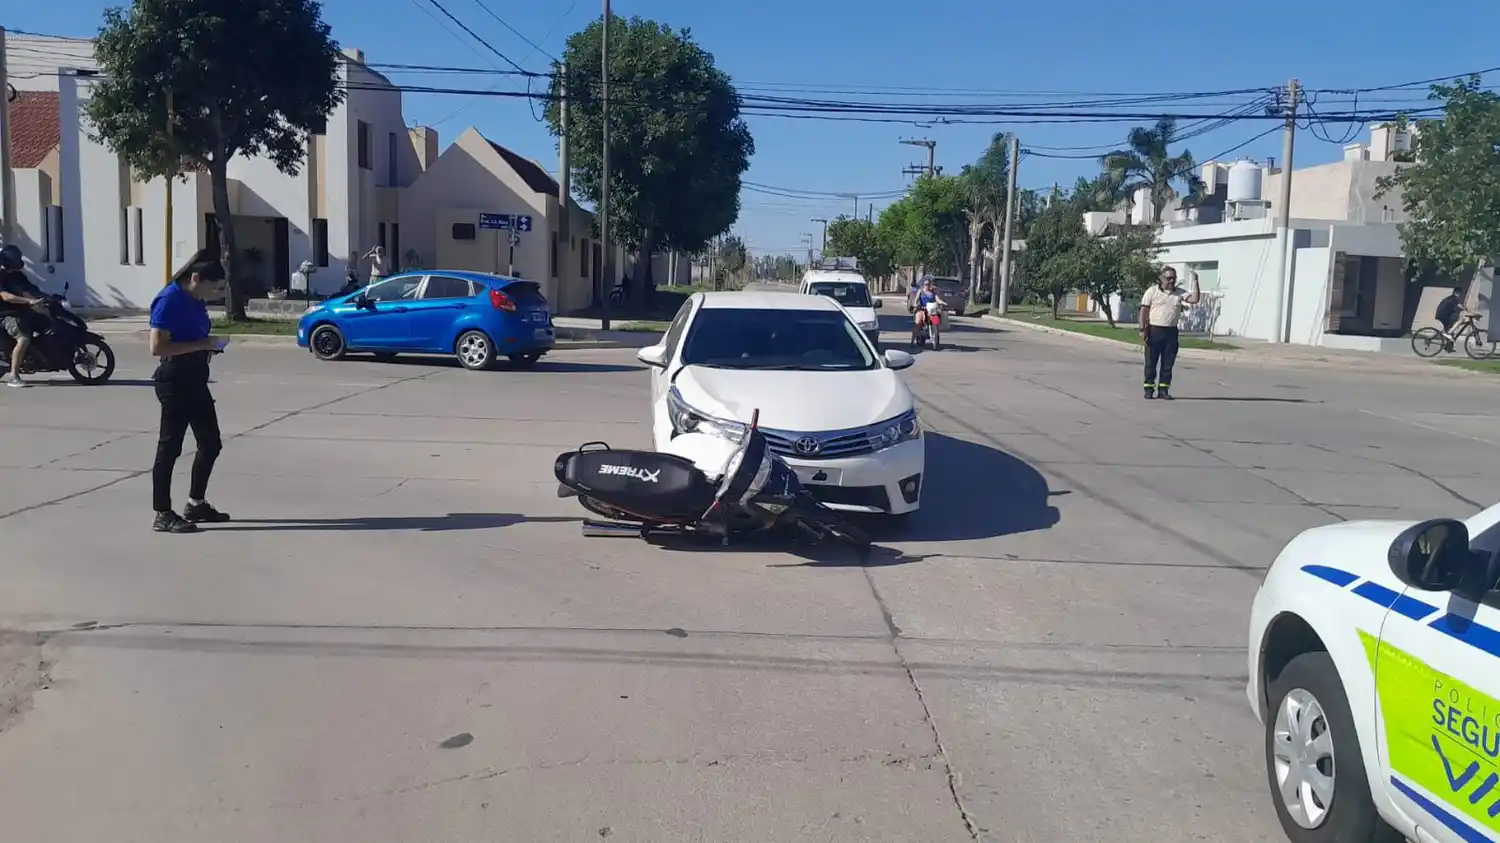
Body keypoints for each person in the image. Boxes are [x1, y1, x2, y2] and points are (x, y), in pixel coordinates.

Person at [148, 251, 231, 533]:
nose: (216, 294)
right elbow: (157, 347)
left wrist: (209, 346)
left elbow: (195, 336)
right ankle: (162, 512)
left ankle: (196, 503)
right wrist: (201, 345)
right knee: (169, 447)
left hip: (196, 376)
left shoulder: (195, 300)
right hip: (175, 379)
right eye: (214, 287)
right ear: (195, 278)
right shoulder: (169, 299)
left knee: (211, 443)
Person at [1138, 267, 1201, 400]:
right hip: (1154, 330)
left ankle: (1163, 390)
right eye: (1168, 278)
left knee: (1168, 363)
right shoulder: (1152, 291)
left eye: (1173, 278)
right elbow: (1144, 310)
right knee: (1151, 362)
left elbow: (1194, 299)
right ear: (1161, 278)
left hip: (1171, 332)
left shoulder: (1179, 293)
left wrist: (1195, 280)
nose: (1171, 281)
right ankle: (1149, 389)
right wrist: (1142, 329)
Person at [0, 245, 48, 388]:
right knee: (24, 338)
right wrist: (29, 301)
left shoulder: (17, 275)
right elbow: (6, 296)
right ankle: (14, 376)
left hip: (19, 312)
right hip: (4, 316)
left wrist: (47, 297)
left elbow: (31, 289)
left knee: (42, 321)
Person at [910, 278, 938, 346]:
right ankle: (912, 341)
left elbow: (937, 299)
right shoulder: (920, 291)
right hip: (922, 309)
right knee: (918, 323)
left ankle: (935, 340)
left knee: (936, 323)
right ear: (923, 285)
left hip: (931, 310)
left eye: (928, 284)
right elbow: (916, 301)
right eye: (925, 284)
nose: (927, 286)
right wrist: (916, 305)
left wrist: (942, 303)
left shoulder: (933, 292)